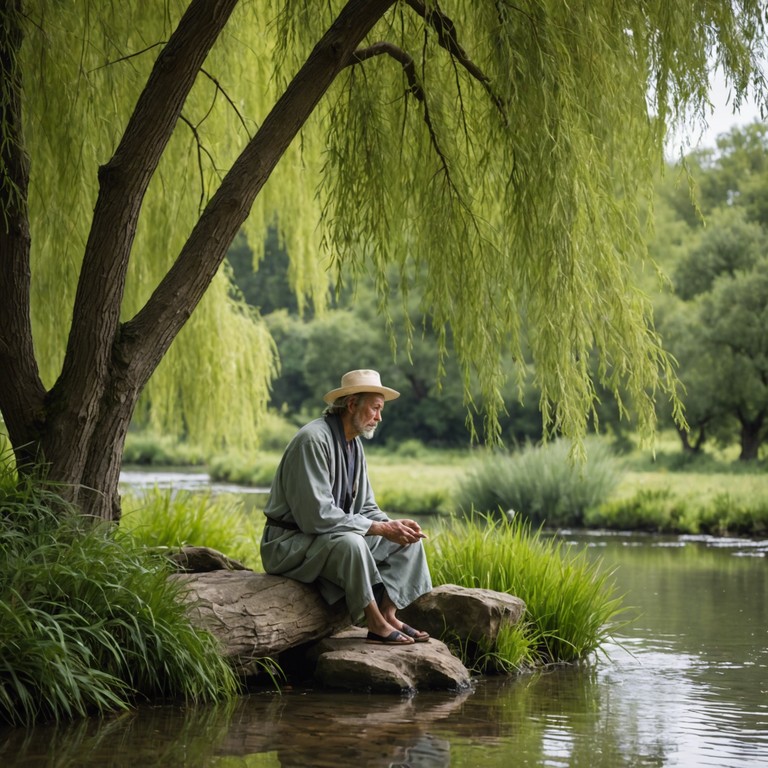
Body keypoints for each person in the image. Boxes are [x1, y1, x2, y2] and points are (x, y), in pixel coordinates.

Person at [260, 369, 432, 646]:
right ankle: (374, 622)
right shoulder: (312, 440)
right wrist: (379, 528)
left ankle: (389, 613)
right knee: (353, 544)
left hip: (325, 538)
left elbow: (366, 506)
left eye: (380, 409)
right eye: (375, 408)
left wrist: (394, 527)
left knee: (408, 543)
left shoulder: (354, 444)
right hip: (289, 544)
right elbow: (315, 517)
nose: (379, 417)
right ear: (352, 404)